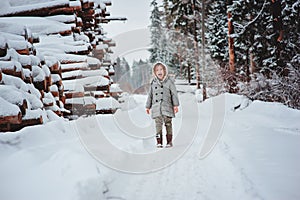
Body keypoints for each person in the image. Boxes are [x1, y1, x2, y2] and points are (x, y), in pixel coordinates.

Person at [146, 62, 179, 148]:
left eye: (161, 69)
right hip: (156, 108)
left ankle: (169, 141)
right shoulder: (153, 83)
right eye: (157, 70)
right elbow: (150, 95)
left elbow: (174, 94)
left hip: (167, 107)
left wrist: (175, 105)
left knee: (168, 124)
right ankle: (159, 142)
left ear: (164, 71)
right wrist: (148, 106)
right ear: (154, 72)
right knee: (158, 126)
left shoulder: (169, 82)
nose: (159, 71)